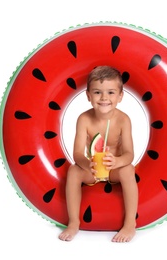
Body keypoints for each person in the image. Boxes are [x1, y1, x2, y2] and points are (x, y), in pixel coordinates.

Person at [59, 65, 138, 242]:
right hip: (92, 170)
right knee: (73, 171)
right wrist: (88, 164)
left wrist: (117, 162)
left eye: (110, 92)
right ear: (88, 96)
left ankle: (130, 224)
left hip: (114, 170)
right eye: (97, 92)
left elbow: (129, 154)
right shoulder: (84, 119)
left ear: (120, 96)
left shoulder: (123, 119)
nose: (104, 98)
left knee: (128, 169)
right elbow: (78, 153)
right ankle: (73, 222)